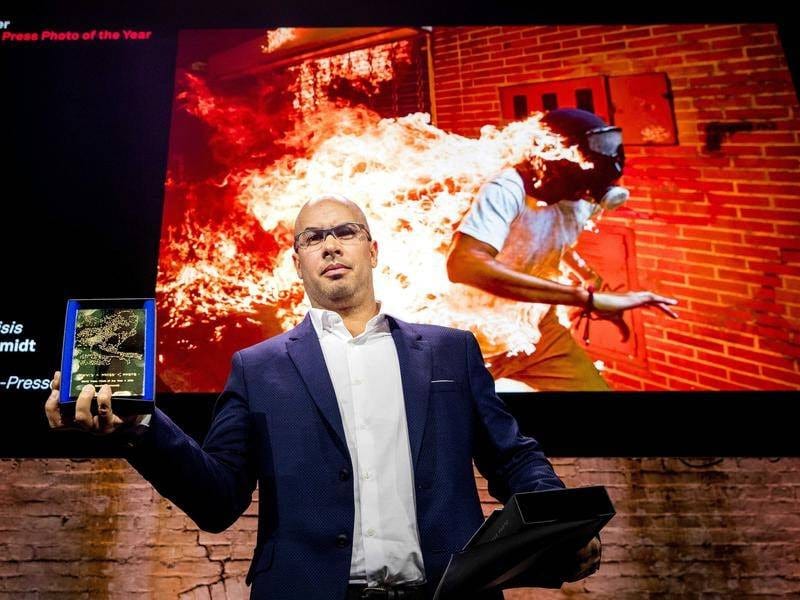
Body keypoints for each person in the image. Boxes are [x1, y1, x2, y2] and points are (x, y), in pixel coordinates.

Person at [46, 195, 601, 599]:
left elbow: (513, 458)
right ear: (298, 263)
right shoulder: (257, 367)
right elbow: (217, 502)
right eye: (312, 238)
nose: (330, 244)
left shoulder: (450, 351)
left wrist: (557, 530)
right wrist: (137, 429)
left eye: (346, 231)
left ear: (373, 249)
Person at [447, 108, 678, 391]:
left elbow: (553, 239)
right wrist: (586, 298)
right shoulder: (507, 188)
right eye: (584, 187)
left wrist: (589, 278)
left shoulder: (583, 198)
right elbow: (465, 264)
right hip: (468, 341)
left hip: (539, 333)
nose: (587, 196)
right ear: (559, 161)